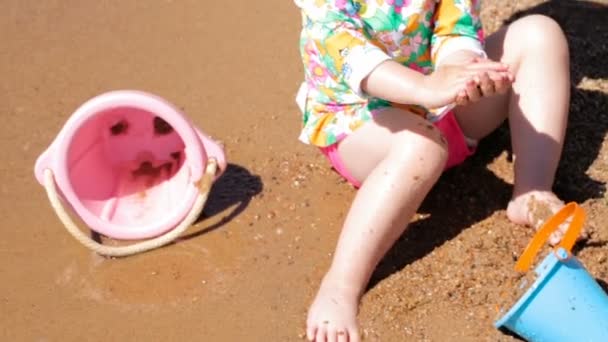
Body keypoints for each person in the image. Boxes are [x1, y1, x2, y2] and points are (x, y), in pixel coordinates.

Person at [293, 0, 571, 341]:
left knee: (539, 34)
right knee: (421, 148)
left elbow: (456, 19)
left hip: (445, 99)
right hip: (364, 121)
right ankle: (341, 284)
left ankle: (532, 190)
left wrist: (462, 69)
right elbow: (344, 47)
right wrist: (424, 90)